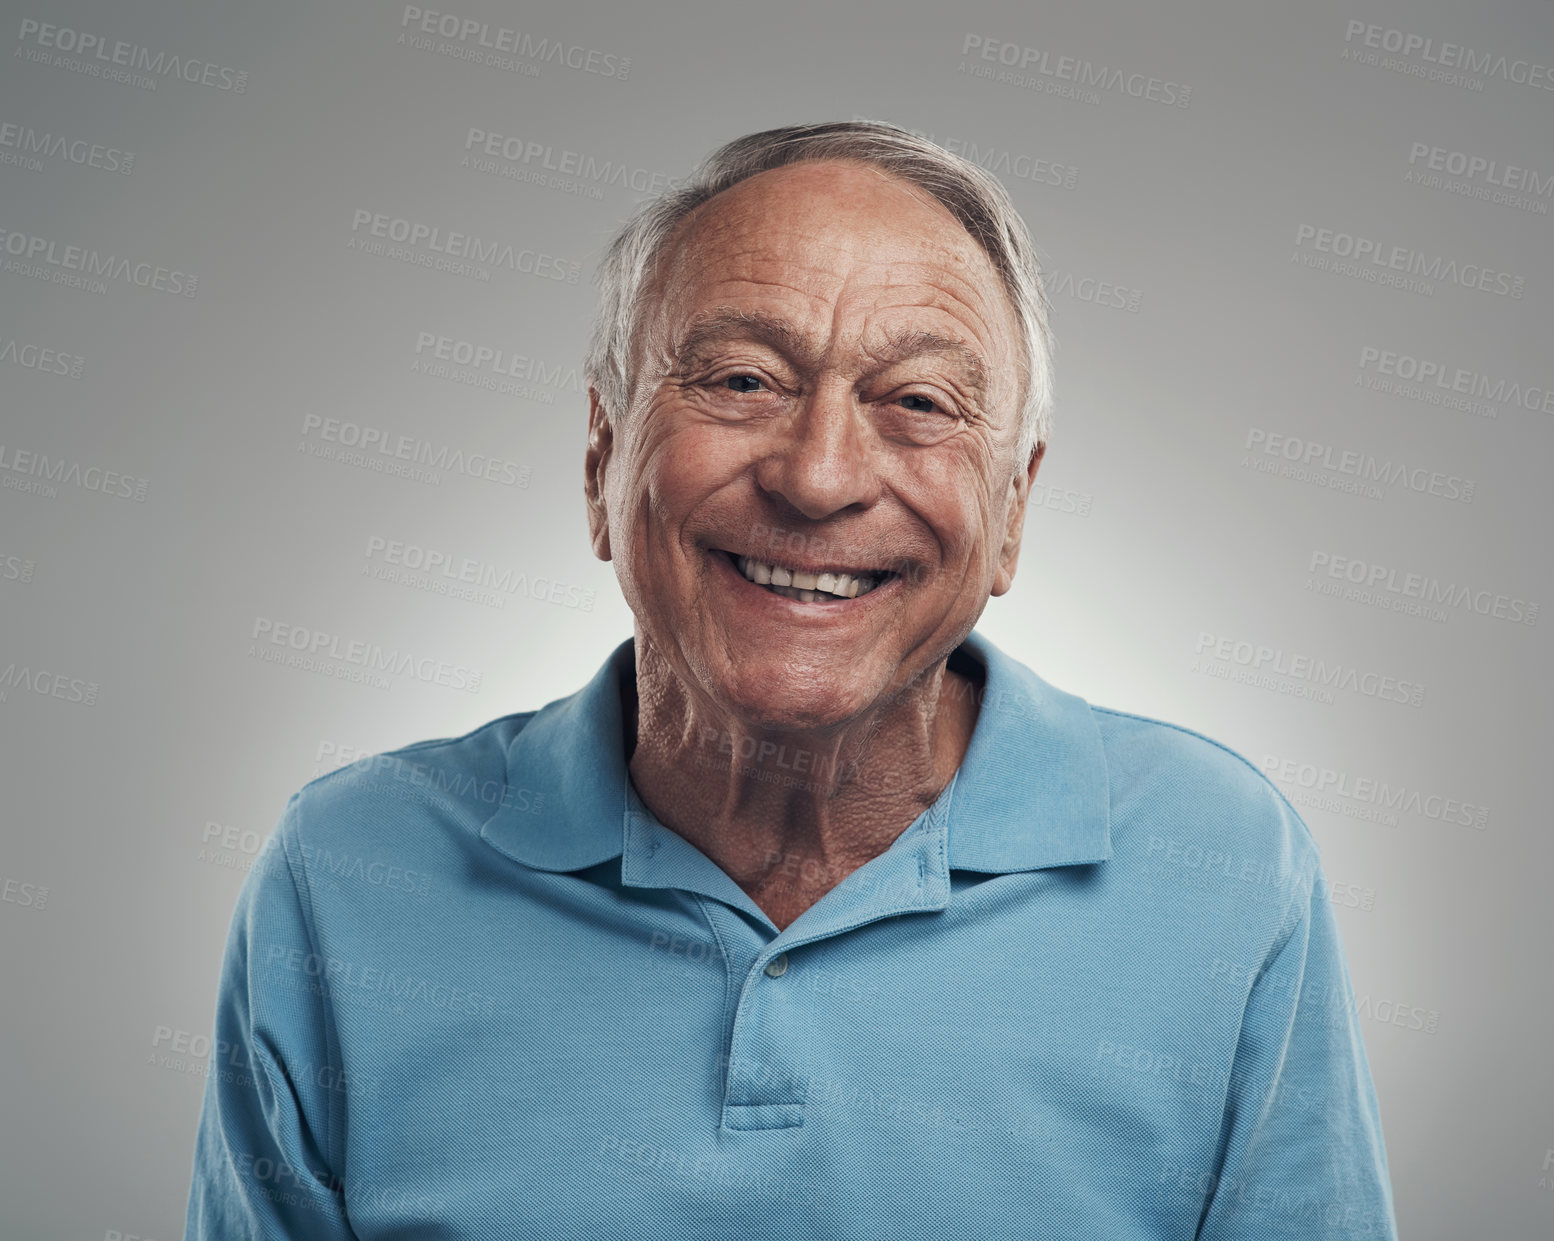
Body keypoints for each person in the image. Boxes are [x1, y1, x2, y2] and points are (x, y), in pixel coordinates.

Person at [185, 121, 1397, 1239]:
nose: (818, 476)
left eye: (917, 402)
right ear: (602, 455)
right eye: (741, 381)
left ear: (1013, 508)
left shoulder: (1223, 864)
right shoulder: (348, 871)